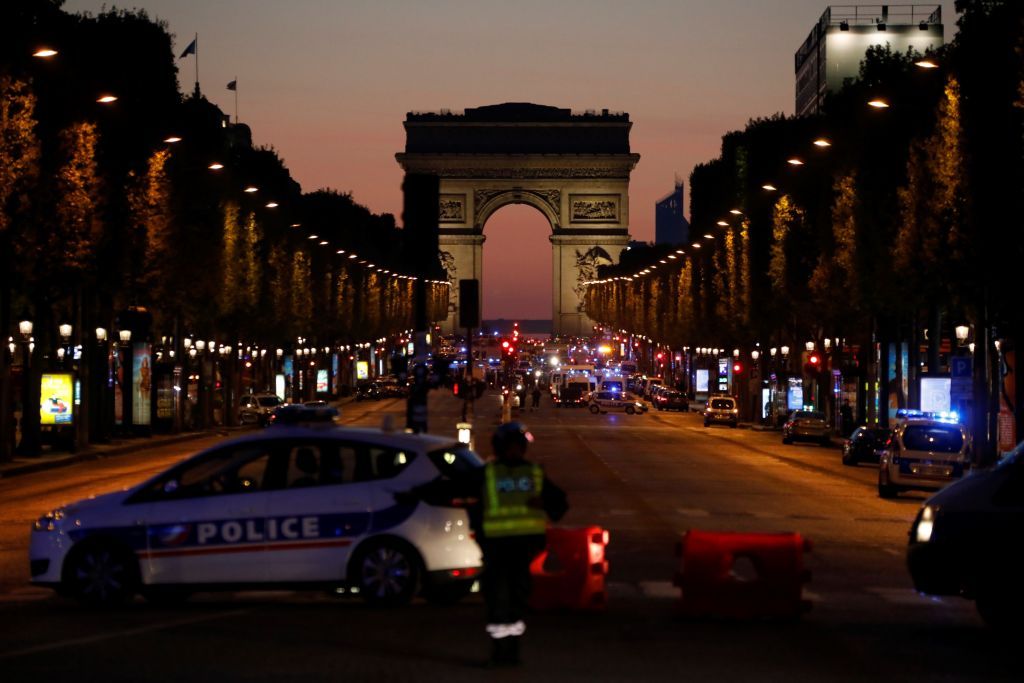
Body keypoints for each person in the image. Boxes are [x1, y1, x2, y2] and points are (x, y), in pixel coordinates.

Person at [397, 422, 567, 667]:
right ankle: (504, 651)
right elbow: (449, 489)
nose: (513, 452)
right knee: (506, 602)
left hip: (508, 549)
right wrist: (415, 494)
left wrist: (412, 494)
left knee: (505, 601)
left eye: (516, 447)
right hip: (511, 549)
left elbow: (449, 488)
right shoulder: (530, 474)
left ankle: (508, 651)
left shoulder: (496, 474)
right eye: (511, 447)